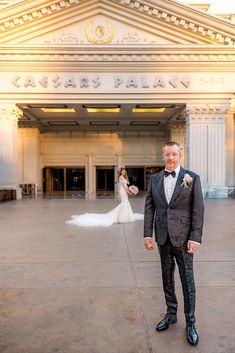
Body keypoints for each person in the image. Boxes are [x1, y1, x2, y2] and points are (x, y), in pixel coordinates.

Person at [143, 141, 204, 346]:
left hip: (184, 238)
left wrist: (195, 237)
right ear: (163, 156)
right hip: (162, 237)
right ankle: (171, 313)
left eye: (174, 154)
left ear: (180, 155)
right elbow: (149, 207)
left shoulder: (192, 178)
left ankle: (191, 322)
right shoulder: (155, 179)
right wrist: (147, 234)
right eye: (167, 155)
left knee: (187, 279)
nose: (170, 158)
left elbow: (197, 210)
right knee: (166, 276)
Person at [66, 167, 143, 227]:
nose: (124, 172)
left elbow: (127, 185)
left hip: (125, 191)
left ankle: (126, 216)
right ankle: (122, 217)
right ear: (120, 172)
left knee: (126, 203)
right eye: (122, 171)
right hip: (123, 191)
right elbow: (124, 186)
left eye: (124, 171)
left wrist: (131, 190)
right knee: (124, 203)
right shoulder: (121, 177)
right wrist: (129, 192)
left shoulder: (124, 177)